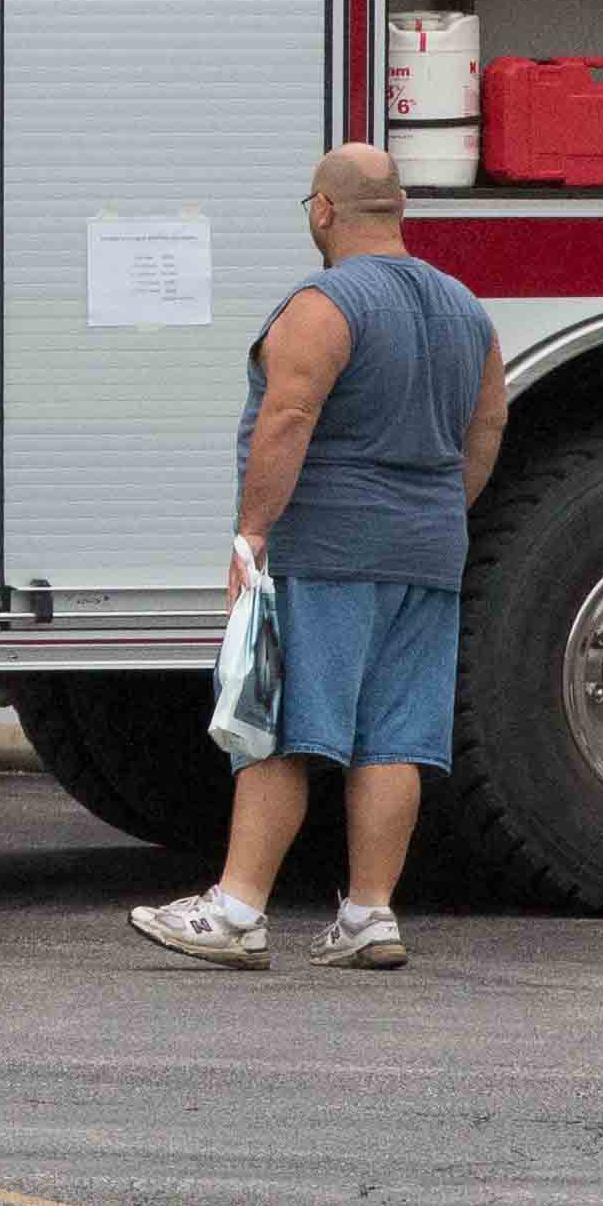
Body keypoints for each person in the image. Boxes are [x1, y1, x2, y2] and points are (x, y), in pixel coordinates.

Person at [130, 141, 506, 974]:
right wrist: (437, 514)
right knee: (394, 741)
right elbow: (486, 430)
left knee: (281, 729)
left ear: (325, 212)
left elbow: (289, 416)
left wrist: (251, 534)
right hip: (427, 551)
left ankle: (235, 912)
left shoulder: (324, 303)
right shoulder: (465, 310)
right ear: (399, 210)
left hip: (329, 546)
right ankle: (370, 916)